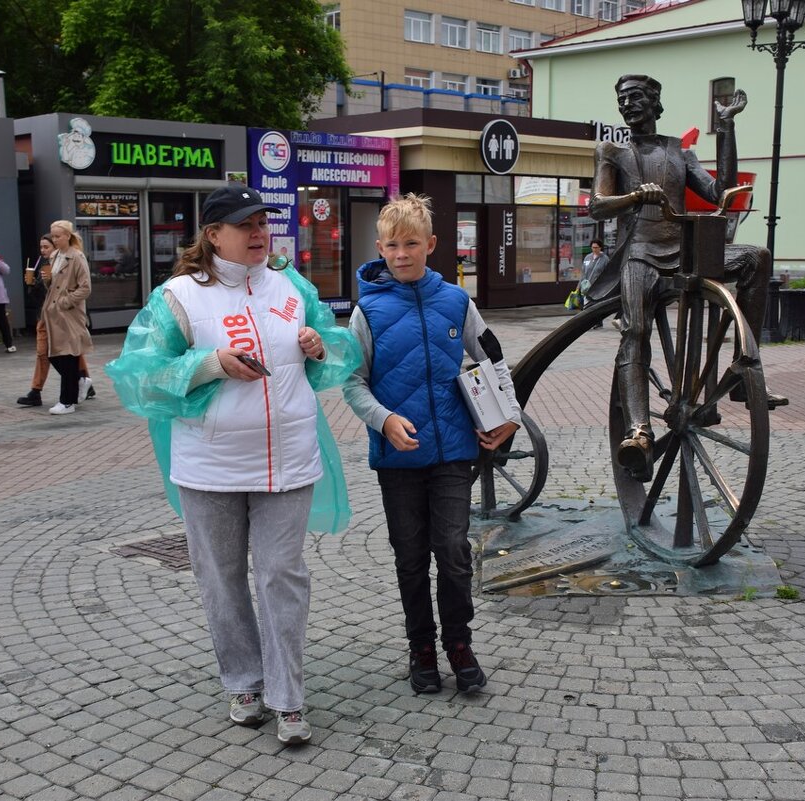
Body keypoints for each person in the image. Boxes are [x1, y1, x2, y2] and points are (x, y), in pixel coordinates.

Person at [105, 184, 360, 745]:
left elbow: (339, 352)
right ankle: (243, 681)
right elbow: (140, 373)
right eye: (245, 225)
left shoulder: (291, 285)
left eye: (263, 222)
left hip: (289, 459)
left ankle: (288, 696)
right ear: (213, 234)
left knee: (281, 575)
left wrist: (323, 345)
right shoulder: (179, 297)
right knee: (220, 579)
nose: (259, 233)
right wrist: (210, 363)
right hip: (209, 466)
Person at [342, 194, 522, 696]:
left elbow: (495, 360)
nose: (402, 254)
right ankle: (421, 647)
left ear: (432, 246)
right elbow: (352, 383)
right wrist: (383, 421)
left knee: (453, 549)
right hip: (398, 456)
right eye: (393, 245)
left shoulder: (456, 303)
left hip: (453, 452)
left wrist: (511, 416)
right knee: (410, 556)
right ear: (380, 248)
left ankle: (459, 645)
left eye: (412, 244)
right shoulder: (367, 312)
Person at [588, 74, 786, 482]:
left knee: (756, 258)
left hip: (684, 250)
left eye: (637, 97)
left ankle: (741, 376)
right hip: (640, 252)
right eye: (622, 98)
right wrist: (635, 197)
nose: (629, 104)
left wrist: (726, 128)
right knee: (636, 329)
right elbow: (598, 205)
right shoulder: (612, 150)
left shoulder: (679, 152)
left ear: (655, 103)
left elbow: (722, 192)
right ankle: (639, 431)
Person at [17, 234, 95, 407]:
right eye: (41, 247)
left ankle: (75, 385)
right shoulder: (46, 266)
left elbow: (80, 289)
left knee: (67, 353)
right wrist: (32, 284)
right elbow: (41, 297)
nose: (43, 250)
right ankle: (78, 383)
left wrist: (61, 298)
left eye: (47, 247)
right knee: (47, 352)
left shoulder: (67, 262)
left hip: (62, 316)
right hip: (46, 317)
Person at [41, 220, 93, 415]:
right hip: (53, 313)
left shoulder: (77, 257)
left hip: (69, 313)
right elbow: (54, 285)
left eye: (58, 236)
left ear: (67, 236)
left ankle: (67, 401)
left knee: (67, 355)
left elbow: (85, 287)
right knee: (53, 354)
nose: (55, 239)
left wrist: (66, 301)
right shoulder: (55, 256)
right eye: (52, 236)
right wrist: (47, 281)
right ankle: (80, 380)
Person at [580, 240, 610, 327]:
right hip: (586, 286)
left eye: (596, 247)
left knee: (596, 305)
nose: (594, 249)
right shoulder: (587, 257)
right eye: (593, 247)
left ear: (600, 247)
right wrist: (579, 285)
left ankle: (597, 322)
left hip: (598, 286)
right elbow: (583, 272)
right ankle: (587, 322)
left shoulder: (605, 259)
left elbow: (608, 273)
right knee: (586, 305)